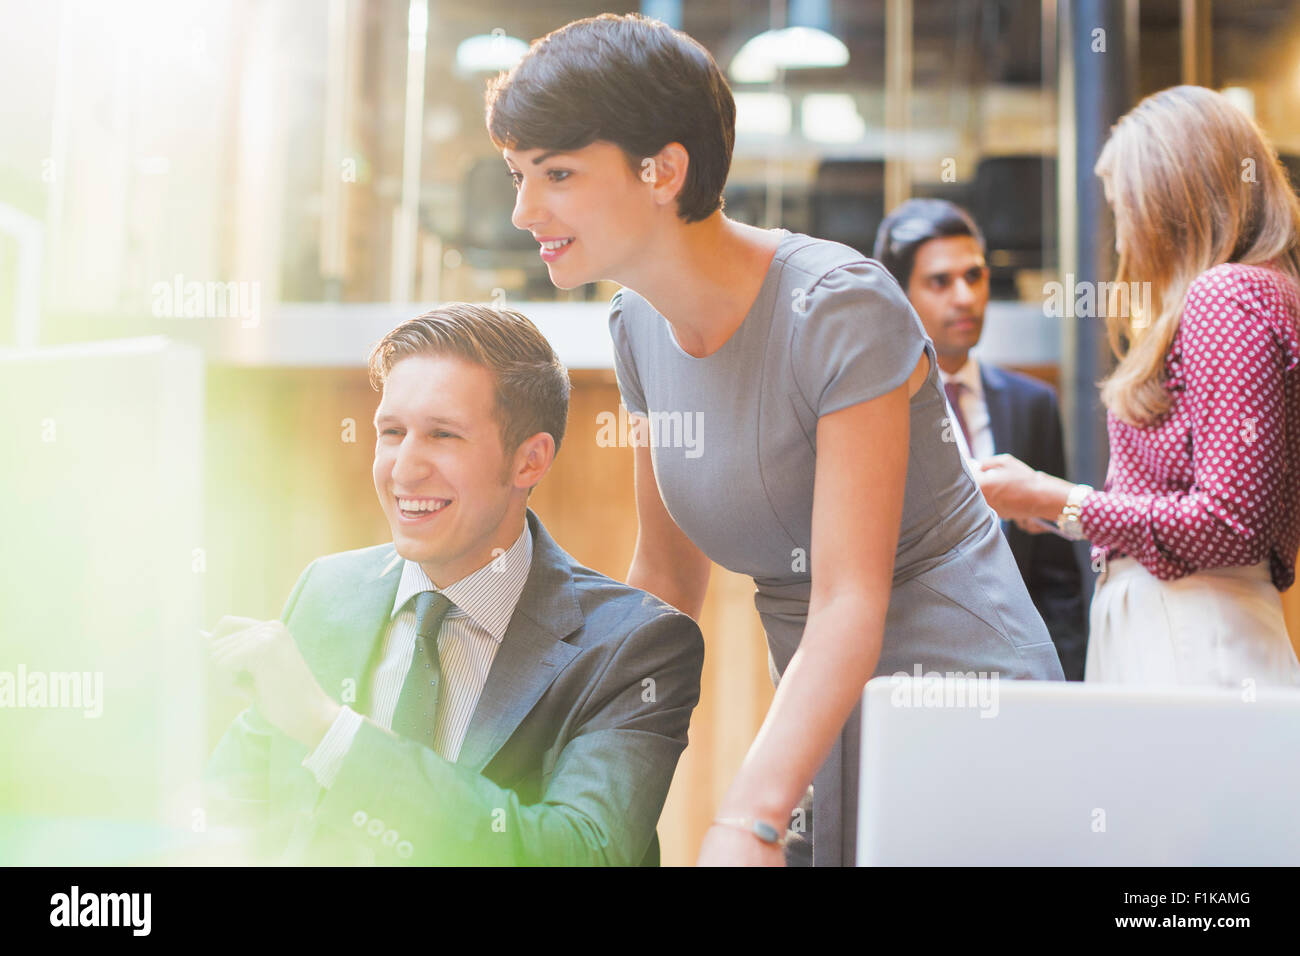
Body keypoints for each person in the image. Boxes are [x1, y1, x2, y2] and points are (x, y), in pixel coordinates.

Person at [486, 13, 1063, 867]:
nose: (524, 209)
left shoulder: (839, 306)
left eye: (557, 174)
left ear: (664, 171)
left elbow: (846, 601)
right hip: (818, 705)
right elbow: (666, 581)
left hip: (962, 696)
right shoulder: (637, 326)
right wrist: (564, 755)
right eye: (517, 175)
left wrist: (747, 816)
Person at [202, 304, 705, 865]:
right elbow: (229, 810)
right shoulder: (327, 592)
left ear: (529, 461)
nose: (405, 469)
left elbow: (580, 853)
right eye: (391, 432)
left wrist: (332, 733)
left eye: (442, 435)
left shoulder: (635, 648)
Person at [975, 85, 1300, 688]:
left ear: (1171, 202)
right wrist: (1059, 512)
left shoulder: (1225, 296)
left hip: (1191, 637)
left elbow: (1229, 522)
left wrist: (1055, 499)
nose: (1121, 240)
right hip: (1196, 630)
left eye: (1125, 210)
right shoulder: (1260, 293)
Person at [874, 198, 1089, 680]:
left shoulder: (1032, 403)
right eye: (940, 281)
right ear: (899, 293)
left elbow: (1057, 579)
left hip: (1019, 680)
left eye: (975, 276)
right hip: (909, 676)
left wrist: (1066, 689)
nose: (965, 296)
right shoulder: (872, 412)